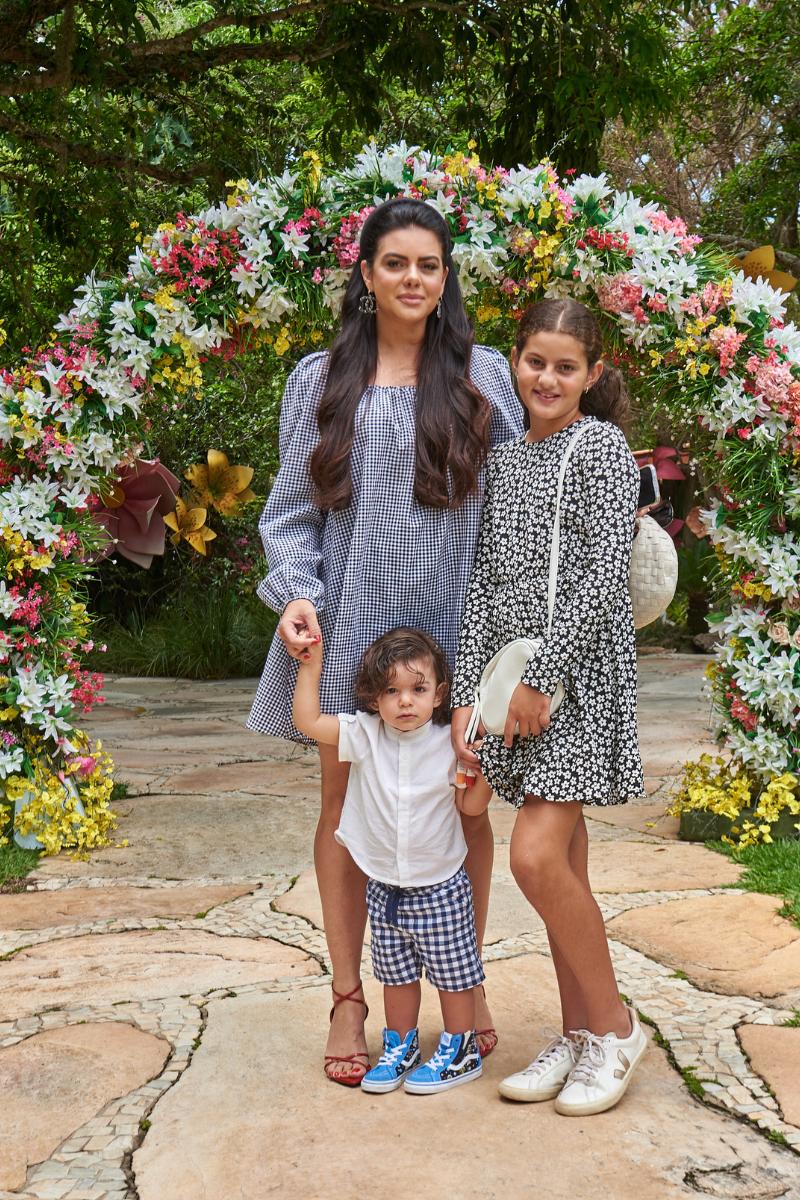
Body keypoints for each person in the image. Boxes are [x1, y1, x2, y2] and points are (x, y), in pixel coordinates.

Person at [247, 196, 522, 1085]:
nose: (413, 278)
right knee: (344, 818)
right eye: (395, 263)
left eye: (429, 265)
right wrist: (295, 595)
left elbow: (522, 499)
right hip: (355, 628)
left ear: (447, 279)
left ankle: (463, 989)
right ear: (365, 275)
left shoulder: (483, 376)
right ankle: (348, 994)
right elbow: (289, 514)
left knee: (461, 806)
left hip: (456, 627)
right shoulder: (318, 379)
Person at [451, 298, 648, 1117]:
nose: (548, 378)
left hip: (577, 683)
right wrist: (470, 710)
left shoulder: (599, 448)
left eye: (567, 366)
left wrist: (548, 679)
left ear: (592, 375)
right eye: (536, 361)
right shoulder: (504, 462)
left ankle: (616, 1027)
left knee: (533, 858)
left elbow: (603, 576)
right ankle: (575, 1035)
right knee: (565, 865)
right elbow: (488, 590)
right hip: (514, 684)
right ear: (515, 361)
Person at [293, 627, 489, 1094]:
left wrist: (484, 770)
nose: (405, 702)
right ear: (373, 697)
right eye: (392, 691)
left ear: (439, 694)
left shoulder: (448, 742)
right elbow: (308, 722)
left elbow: (471, 809)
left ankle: (460, 1048)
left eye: (418, 690)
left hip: (440, 883)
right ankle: (401, 1044)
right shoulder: (364, 735)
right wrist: (310, 667)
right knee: (396, 977)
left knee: (453, 974)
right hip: (384, 886)